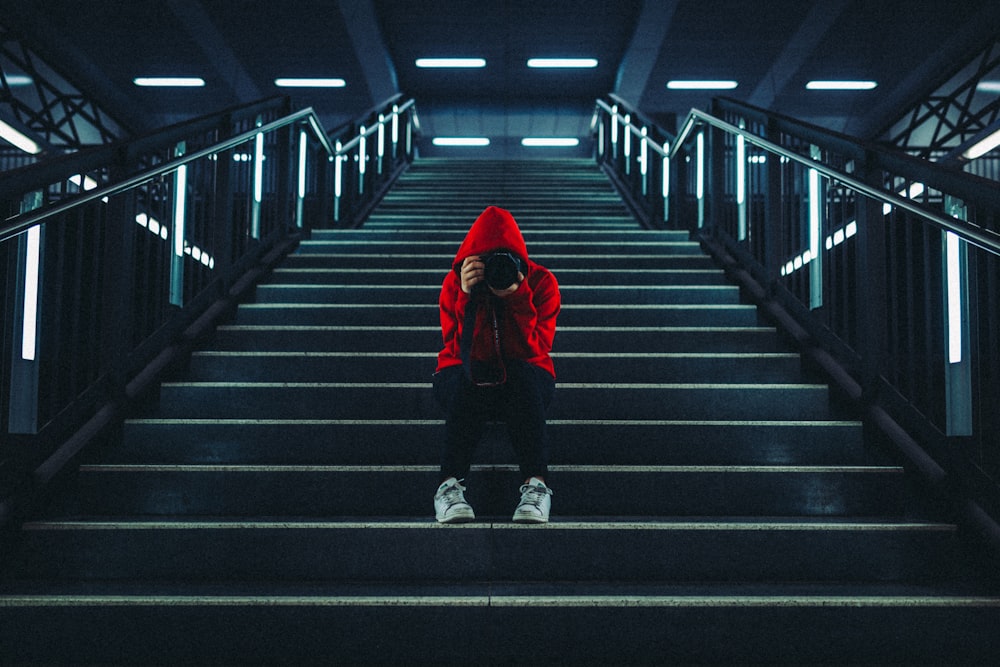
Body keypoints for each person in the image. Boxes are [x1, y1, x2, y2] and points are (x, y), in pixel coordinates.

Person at [432, 205, 561, 523]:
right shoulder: (456, 283)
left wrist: (517, 297)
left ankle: (537, 485)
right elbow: (457, 347)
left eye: (503, 259)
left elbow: (534, 349)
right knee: (470, 374)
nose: (494, 269)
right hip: (462, 374)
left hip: (524, 377)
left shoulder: (541, 283)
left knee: (519, 372)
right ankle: (448, 486)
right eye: (485, 260)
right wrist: (467, 296)